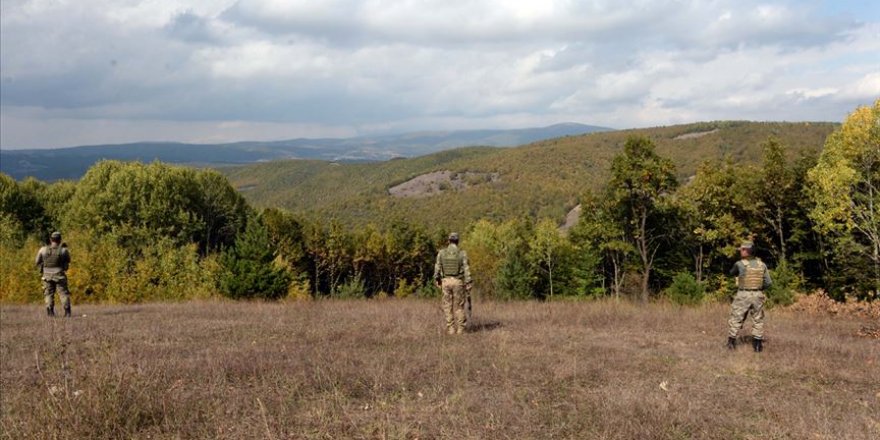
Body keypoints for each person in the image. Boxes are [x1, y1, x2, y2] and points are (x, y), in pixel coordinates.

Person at [727, 241, 772, 352]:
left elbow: (731, 273)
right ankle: (757, 346)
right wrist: (759, 289)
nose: (740, 251)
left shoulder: (740, 264)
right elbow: (768, 282)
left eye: (742, 249)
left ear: (746, 251)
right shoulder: (762, 264)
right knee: (758, 319)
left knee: (736, 317)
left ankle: (731, 343)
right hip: (758, 295)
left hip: (743, 294)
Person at [434, 232, 472, 335]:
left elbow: (437, 267)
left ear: (449, 241)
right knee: (459, 307)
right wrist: (468, 282)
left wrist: (437, 279)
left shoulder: (442, 253)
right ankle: (460, 330)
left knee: (447, 306)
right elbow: (466, 269)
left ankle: (451, 329)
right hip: (458, 282)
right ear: (457, 241)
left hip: (445, 282)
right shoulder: (462, 253)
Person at [35, 231, 72, 317]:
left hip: (46, 275)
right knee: (63, 293)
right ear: (60, 240)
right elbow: (68, 261)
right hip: (59, 274)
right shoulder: (63, 250)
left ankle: (50, 312)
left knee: (48, 294)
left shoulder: (43, 250)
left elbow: (37, 262)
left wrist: (42, 268)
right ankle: (67, 312)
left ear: (51, 239)